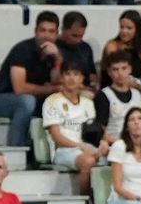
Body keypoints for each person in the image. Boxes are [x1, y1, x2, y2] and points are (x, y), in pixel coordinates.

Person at [0, 11, 62, 148]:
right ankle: (17, 149)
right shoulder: (22, 50)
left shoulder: (54, 53)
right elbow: (19, 88)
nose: (46, 35)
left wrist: (57, 59)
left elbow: (58, 82)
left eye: (51, 31)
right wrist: (52, 89)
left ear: (57, 34)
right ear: (35, 31)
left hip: (32, 101)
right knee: (27, 101)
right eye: (42, 30)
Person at [44, 63, 106, 195]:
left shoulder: (87, 103)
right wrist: (82, 146)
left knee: (116, 157)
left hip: (87, 147)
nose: (71, 78)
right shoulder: (52, 101)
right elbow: (57, 137)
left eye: (76, 74)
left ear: (82, 79)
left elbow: (93, 132)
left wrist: (103, 144)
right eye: (68, 74)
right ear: (61, 78)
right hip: (63, 150)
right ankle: (86, 203)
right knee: (88, 161)